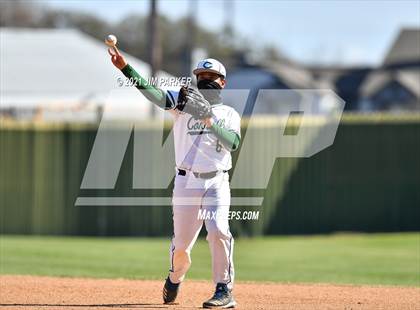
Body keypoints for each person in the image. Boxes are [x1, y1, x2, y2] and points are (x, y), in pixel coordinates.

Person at [109, 47, 241, 309]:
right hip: (185, 183)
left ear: (222, 82)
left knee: (218, 232)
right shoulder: (181, 104)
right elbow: (153, 93)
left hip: (217, 182)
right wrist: (126, 68)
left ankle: (223, 289)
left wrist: (208, 118)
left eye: (211, 75)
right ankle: (174, 277)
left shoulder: (229, 114)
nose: (205, 79)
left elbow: (233, 143)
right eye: (201, 74)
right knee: (181, 246)